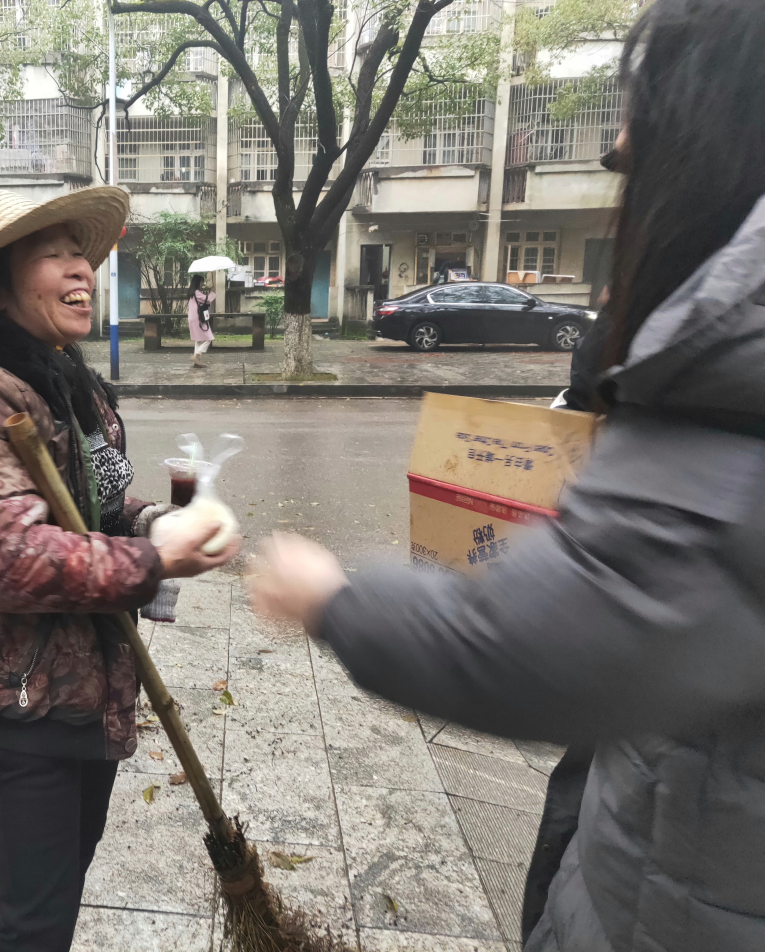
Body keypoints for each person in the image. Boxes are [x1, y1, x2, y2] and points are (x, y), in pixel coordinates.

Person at [250, 2, 765, 949]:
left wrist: (332, 598)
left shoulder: (733, 393)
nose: (619, 164)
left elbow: (535, 640)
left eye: (633, 157)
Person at [0, 186, 239, 952]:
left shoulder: (57, 377)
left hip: (78, 684)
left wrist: (154, 522)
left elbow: (90, 506)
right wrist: (157, 558)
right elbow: (11, 559)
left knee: (60, 888)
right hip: (15, 696)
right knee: (36, 922)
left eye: (81, 253)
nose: (81, 269)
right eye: (53, 255)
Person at [186, 273, 216, 367]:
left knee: (198, 339)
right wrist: (213, 293)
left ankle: (197, 362)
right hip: (198, 318)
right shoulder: (197, 293)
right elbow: (208, 300)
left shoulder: (192, 293)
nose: (202, 284)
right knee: (209, 338)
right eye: (201, 282)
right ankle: (197, 355)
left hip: (192, 318)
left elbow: (203, 302)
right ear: (198, 282)